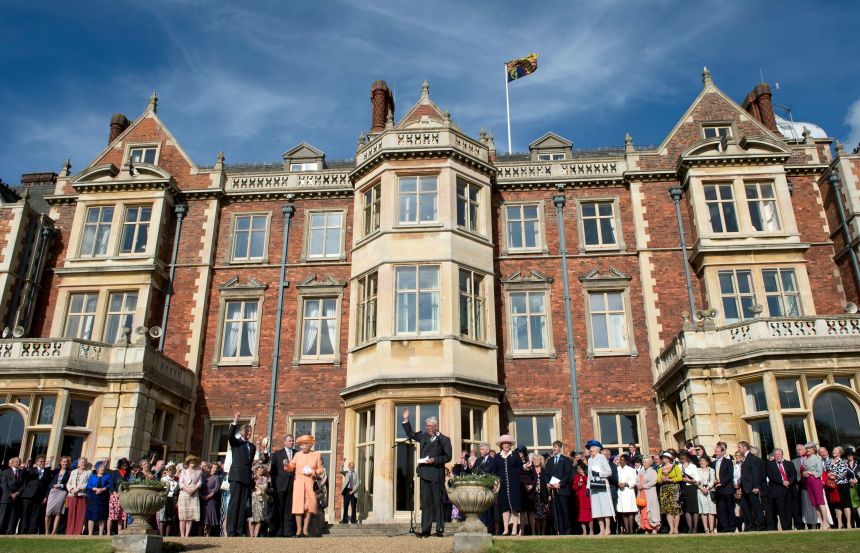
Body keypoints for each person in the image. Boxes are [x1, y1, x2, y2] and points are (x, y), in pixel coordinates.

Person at [401, 408, 452, 538]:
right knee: (427, 503)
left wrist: (435, 460)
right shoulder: (423, 436)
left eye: (431, 426)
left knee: (437, 502)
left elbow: (448, 457)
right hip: (424, 474)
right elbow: (411, 434)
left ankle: (439, 528)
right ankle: (425, 529)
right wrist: (406, 420)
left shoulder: (444, 439)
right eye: (427, 426)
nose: (429, 428)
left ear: (436, 426)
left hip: (437, 474)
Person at [288, 434, 325, 538]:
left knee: (308, 506)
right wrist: (287, 466)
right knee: (298, 506)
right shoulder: (297, 455)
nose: (301, 447)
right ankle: (298, 530)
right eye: (300, 445)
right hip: (298, 482)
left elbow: (321, 469)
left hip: (310, 482)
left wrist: (313, 472)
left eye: (303, 445)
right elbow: (291, 466)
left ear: (309, 445)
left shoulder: (316, 455)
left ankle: (305, 529)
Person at [226, 412, 255, 537]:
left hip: (246, 478)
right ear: (243, 432)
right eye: (248, 431)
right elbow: (230, 436)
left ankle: (239, 531)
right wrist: (235, 422)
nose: (250, 433)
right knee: (234, 504)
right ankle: (231, 531)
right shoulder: (236, 443)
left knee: (243, 505)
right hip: (236, 476)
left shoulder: (252, 447)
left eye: (251, 431)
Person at [493, 434, 522, 535]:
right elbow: (495, 472)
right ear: (501, 445)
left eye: (508, 443)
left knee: (514, 507)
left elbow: (520, 469)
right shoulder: (497, 456)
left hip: (514, 485)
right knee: (504, 507)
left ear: (510, 445)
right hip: (502, 485)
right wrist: (496, 484)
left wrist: (517, 479)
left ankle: (514, 529)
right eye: (504, 443)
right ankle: (506, 529)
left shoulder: (515, 455)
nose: (506, 445)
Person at [271, 434, 298, 536]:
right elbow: (273, 472)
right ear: (285, 442)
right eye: (290, 441)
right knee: (279, 508)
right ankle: (279, 531)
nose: (292, 442)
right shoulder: (278, 454)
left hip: (293, 486)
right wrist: (274, 486)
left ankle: (289, 531)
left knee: (289, 509)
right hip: (280, 485)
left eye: (292, 441)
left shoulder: (297, 454)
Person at [766, 448, 797, 531]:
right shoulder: (770, 464)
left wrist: (788, 482)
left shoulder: (789, 463)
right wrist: (782, 482)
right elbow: (771, 476)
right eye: (776, 455)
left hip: (789, 489)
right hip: (778, 490)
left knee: (789, 509)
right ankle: (785, 527)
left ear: (782, 454)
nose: (778, 456)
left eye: (779, 454)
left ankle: (790, 527)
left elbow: (793, 474)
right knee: (781, 509)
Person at [586, 440, 613, 536]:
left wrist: (599, 474)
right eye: (590, 448)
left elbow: (609, 471)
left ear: (597, 449)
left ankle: (608, 529)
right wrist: (587, 487)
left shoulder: (601, 457)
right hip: (593, 485)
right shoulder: (589, 460)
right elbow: (589, 475)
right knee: (597, 508)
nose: (590, 449)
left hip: (602, 484)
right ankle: (601, 530)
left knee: (605, 507)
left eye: (592, 447)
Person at [800, 442, 829, 529]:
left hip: (815, 480)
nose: (808, 450)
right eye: (807, 448)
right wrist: (804, 473)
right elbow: (803, 471)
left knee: (820, 501)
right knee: (814, 503)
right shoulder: (805, 459)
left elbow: (820, 472)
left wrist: (810, 472)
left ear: (813, 449)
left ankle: (826, 522)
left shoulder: (816, 459)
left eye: (809, 448)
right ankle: (821, 521)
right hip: (808, 481)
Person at [21, 454, 53, 534]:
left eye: (43, 461)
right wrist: (27, 466)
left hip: (39, 496)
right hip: (28, 495)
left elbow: (47, 485)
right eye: (40, 461)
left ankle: (32, 531)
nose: (42, 463)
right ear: (36, 462)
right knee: (26, 514)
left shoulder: (47, 471)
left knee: (35, 514)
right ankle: (23, 530)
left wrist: (46, 496)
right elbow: (24, 476)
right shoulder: (31, 469)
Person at [545, 440, 572, 535]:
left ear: (560, 448)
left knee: (565, 510)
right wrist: (548, 483)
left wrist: (560, 484)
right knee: (557, 511)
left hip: (563, 490)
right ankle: (559, 530)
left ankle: (567, 531)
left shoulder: (566, 460)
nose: (554, 449)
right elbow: (547, 473)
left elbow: (567, 474)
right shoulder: (550, 460)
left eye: (555, 447)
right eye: (553, 447)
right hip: (553, 491)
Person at [737, 440, 764, 531]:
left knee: (756, 508)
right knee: (745, 508)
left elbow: (755, 473)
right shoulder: (745, 458)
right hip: (745, 488)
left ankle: (760, 526)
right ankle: (749, 526)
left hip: (752, 488)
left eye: (739, 447)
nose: (738, 449)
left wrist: (756, 486)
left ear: (745, 447)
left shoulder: (752, 458)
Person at [469, 442, 496, 532]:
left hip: (488, 488)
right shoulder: (478, 460)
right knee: (481, 510)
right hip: (479, 489)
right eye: (480, 449)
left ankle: (490, 531)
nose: (480, 451)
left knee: (489, 510)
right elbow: (474, 471)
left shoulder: (492, 460)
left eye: (482, 449)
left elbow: (494, 474)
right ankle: (481, 529)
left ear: (487, 450)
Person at [657, 451, 682, 534]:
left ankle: (676, 528)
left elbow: (679, 477)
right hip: (664, 489)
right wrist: (662, 480)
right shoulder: (660, 468)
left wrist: (670, 480)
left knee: (676, 508)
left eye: (665, 457)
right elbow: (658, 480)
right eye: (663, 458)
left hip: (674, 488)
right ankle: (671, 528)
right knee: (667, 510)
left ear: (669, 459)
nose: (663, 459)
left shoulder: (675, 467)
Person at [712, 443, 735, 533]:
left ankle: (732, 527)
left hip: (727, 489)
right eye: (715, 451)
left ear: (723, 452)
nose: (716, 453)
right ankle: (724, 527)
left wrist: (721, 483)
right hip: (718, 490)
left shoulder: (728, 462)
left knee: (729, 508)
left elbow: (730, 475)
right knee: (721, 509)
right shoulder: (713, 463)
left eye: (718, 452)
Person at [45, 456, 71, 534]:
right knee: (48, 513)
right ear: (60, 462)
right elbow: (47, 474)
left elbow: (70, 482)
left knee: (58, 512)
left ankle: (54, 531)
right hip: (53, 492)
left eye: (66, 462)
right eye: (63, 462)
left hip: (62, 492)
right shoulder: (56, 471)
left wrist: (61, 485)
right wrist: (49, 463)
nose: (65, 463)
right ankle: (47, 531)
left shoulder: (70, 472)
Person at [178, 455, 202, 537]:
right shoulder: (183, 471)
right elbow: (180, 483)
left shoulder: (199, 472)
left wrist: (193, 489)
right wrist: (187, 489)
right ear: (188, 462)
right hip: (184, 493)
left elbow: (200, 483)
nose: (193, 463)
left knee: (190, 516)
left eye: (194, 461)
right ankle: (182, 535)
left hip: (194, 493)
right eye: (191, 461)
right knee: (183, 516)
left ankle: (187, 535)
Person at [65, 457, 90, 536]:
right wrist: (71, 489)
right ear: (78, 464)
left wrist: (78, 489)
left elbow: (88, 483)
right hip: (72, 495)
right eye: (81, 462)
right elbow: (68, 483)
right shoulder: (73, 472)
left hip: (82, 495)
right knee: (71, 513)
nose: (83, 464)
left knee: (80, 514)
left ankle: (77, 532)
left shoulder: (89, 472)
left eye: (84, 462)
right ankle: (69, 531)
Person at [828, 446, 852, 529]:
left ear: (840, 453)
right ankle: (839, 523)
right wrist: (829, 475)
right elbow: (827, 471)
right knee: (836, 504)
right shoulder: (829, 461)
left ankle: (848, 523)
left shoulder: (843, 461)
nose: (834, 451)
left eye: (836, 450)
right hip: (833, 485)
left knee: (846, 504)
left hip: (842, 484)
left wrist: (835, 475)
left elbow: (843, 473)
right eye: (833, 450)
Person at [0, 457, 25, 534]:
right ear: (12, 463)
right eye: (17, 462)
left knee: (13, 517)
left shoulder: (22, 473)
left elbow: (24, 485)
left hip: (17, 499)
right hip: (6, 498)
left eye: (19, 462)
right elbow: (4, 485)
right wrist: (10, 494)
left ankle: (10, 532)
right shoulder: (6, 472)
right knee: (3, 516)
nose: (18, 463)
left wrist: (17, 493)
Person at [85, 461, 110, 536]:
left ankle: (100, 534)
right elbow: (88, 486)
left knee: (101, 516)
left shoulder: (107, 476)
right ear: (97, 469)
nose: (102, 469)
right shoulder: (92, 476)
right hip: (93, 497)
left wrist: (102, 489)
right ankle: (90, 534)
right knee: (91, 516)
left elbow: (109, 485)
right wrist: (95, 489)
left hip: (103, 497)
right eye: (101, 468)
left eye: (103, 468)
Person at [615, 454, 637, 534]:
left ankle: (631, 529)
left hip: (628, 491)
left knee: (630, 511)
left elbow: (634, 482)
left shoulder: (631, 470)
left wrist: (626, 484)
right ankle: (626, 530)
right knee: (624, 511)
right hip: (621, 492)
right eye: (620, 460)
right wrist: (618, 484)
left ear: (626, 461)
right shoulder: (617, 469)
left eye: (623, 460)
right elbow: (615, 479)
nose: (621, 462)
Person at [678, 451, 700, 533]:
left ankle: (695, 528)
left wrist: (688, 480)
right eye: (681, 456)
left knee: (694, 508)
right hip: (683, 488)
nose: (682, 458)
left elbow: (697, 479)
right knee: (686, 509)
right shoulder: (678, 466)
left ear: (687, 457)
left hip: (691, 488)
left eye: (683, 456)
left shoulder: (693, 466)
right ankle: (690, 527)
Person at [638, 455, 660, 533]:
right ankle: (646, 527)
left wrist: (644, 486)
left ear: (649, 463)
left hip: (650, 493)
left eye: (645, 462)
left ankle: (654, 528)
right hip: (642, 494)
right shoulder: (641, 471)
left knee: (652, 510)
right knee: (643, 511)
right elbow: (637, 481)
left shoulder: (653, 471)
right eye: (643, 462)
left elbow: (654, 481)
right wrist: (638, 485)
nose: (644, 463)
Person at [530, 454, 550, 535]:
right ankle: (537, 532)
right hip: (534, 495)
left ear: (541, 461)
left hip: (543, 495)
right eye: (534, 459)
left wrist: (549, 495)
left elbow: (547, 483)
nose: (536, 461)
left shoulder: (544, 471)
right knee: (536, 516)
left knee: (544, 515)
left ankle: (543, 532)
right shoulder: (531, 470)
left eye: (537, 459)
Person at [247, 465, 269, 537]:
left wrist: (256, 486)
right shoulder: (252, 478)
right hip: (252, 499)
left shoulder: (265, 479)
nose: (261, 470)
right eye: (260, 469)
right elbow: (249, 487)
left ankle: (256, 536)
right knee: (251, 519)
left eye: (262, 469)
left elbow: (265, 488)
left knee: (259, 518)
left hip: (260, 500)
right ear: (256, 470)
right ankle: (251, 535)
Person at [201, 461, 222, 537]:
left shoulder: (216, 477)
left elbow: (216, 488)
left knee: (210, 517)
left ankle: (208, 534)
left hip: (211, 499)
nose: (215, 469)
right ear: (210, 468)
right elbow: (200, 487)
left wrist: (208, 496)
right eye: (213, 468)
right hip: (202, 498)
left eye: (216, 468)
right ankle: (201, 533)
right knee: (203, 516)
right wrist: (201, 496)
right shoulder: (203, 477)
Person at [108, 458, 129, 534]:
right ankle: (108, 533)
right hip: (115, 496)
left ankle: (119, 532)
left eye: (126, 464)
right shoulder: (115, 473)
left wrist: (123, 493)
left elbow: (128, 485)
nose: (125, 465)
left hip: (123, 496)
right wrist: (115, 493)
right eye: (123, 464)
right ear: (120, 465)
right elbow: (111, 485)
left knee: (121, 516)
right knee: (112, 515)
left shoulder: (127, 474)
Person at [697, 455, 717, 533]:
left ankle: (711, 529)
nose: (701, 462)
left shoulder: (711, 470)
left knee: (711, 510)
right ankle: (706, 529)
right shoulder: (697, 470)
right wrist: (702, 488)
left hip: (710, 491)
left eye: (703, 461)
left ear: (707, 462)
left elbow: (712, 480)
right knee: (703, 510)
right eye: (700, 461)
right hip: (700, 491)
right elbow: (696, 481)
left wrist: (707, 488)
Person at [157, 465, 178, 536]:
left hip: (171, 500)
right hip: (164, 499)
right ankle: (161, 535)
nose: (170, 471)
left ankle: (167, 536)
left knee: (169, 519)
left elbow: (176, 493)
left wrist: (175, 502)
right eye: (168, 469)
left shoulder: (175, 482)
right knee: (162, 518)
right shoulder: (163, 479)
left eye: (172, 470)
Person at [571, 462, 592, 534]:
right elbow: (573, 487)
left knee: (589, 516)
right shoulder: (576, 476)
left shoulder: (587, 475)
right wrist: (577, 485)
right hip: (579, 499)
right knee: (581, 516)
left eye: (580, 469)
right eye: (577, 469)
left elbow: (590, 483)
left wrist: (583, 476)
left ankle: (591, 531)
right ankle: (584, 531)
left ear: (583, 469)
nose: (578, 470)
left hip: (587, 498)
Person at [340, 460, 360, 524]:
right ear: (349, 466)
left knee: (353, 506)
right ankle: (345, 520)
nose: (352, 466)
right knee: (346, 506)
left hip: (353, 491)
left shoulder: (356, 474)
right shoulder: (346, 473)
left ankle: (353, 520)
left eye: (353, 465)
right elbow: (341, 471)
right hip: (347, 491)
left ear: (354, 466)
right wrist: (342, 464)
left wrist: (353, 490)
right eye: (350, 465)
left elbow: (357, 483)